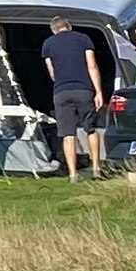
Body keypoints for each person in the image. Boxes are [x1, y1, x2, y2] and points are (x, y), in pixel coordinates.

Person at [40, 18, 112, 175]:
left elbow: (52, 72)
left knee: (67, 134)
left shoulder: (48, 44)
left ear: (53, 30)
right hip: (84, 89)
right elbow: (92, 66)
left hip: (61, 91)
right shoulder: (83, 39)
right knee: (90, 129)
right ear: (69, 27)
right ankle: (96, 168)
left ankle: (73, 173)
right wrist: (98, 92)